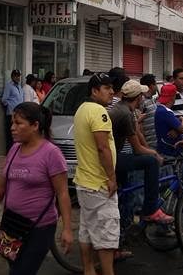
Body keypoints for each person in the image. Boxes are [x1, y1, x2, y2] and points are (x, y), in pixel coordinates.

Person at [0, 103, 73, 275]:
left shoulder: (51, 153)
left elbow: (62, 194)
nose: (12, 127)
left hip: (39, 228)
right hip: (12, 226)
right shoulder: (14, 149)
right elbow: (1, 186)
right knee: (15, 268)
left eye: (18, 123)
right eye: (12, 122)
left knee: (21, 272)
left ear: (35, 126)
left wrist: (67, 229)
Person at [72, 73, 117, 275]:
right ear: (95, 91)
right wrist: (111, 177)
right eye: (106, 88)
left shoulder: (82, 109)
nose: (112, 92)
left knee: (87, 230)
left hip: (85, 182)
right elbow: (102, 147)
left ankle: (89, 270)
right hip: (99, 184)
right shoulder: (99, 111)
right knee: (106, 235)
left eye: (112, 88)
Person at [109, 80, 172, 224]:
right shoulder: (125, 114)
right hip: (113, 157)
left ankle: (126, 223)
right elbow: (137, 148)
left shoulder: (124, 109)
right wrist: (154, 155)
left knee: (126, 191)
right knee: (151, 163)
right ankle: (150, 209)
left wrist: (151, 150)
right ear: (138, 98)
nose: (143, 99)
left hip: (114, 154)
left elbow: (138, 134)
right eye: (142, 96)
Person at [154, 83, 183, 157]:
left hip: (163, 149)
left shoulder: (159, 109)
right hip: (169, 152)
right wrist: (182, 119)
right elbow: (182, 129)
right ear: (173, 97)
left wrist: (176, 130)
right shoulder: (166, 112)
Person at [1, 70, 24, 145]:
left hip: (19, 114)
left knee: (18, 134)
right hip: (11, 114)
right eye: (16, 76)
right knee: (11, 135)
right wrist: (11, 106)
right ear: (12, 77)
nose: (18, 78)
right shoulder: (9, 86)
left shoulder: (19, 86)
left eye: (19, 76)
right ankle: (10, 151)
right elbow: (4, 100)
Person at [138, 74, 159, 147]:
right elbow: (139, 123)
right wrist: (145, 145)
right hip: (148, 144)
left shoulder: (151, 99)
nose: (157, 87)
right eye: (155, 84)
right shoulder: (142, 101)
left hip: (155, 143)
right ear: (151, 86)